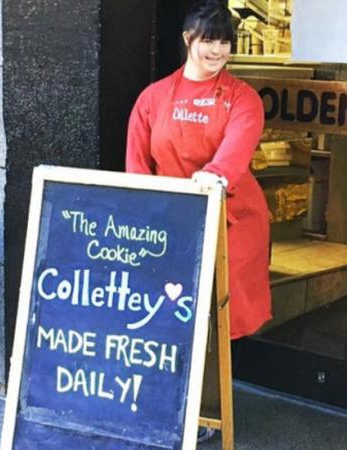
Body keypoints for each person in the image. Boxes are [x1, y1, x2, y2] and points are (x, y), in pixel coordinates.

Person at [126, 0, 272, 342]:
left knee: (217, 314)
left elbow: (236, 150)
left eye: (224, 42)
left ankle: (215, 385)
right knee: (163, 315)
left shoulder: (243, 98)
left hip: (230, 216)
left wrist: (214, 175)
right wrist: (148, 212)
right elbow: (136, 165)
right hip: (167, 219)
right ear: (188, 38)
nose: (217, 50)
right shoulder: (152, 98)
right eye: (208, 40)